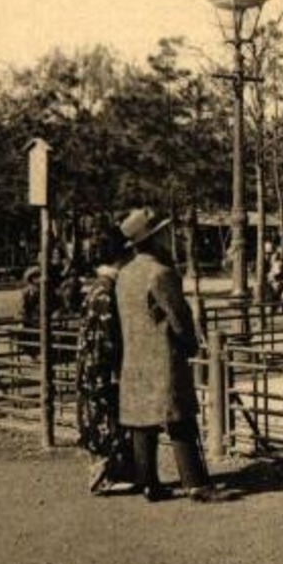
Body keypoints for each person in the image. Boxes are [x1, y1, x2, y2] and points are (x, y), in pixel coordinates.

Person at [114, 208, 220, 503]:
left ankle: (148, 482)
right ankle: (195, 483)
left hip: (134, 358)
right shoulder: (161, 273)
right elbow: (179, 316)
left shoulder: (124, 275)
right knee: (180, 417)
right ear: (153, 239)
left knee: (141, 421)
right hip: (163, 355)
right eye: (162, 233)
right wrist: (190, 344)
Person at [76, 232, 133, 495]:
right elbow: (106, 337)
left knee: (102, 419)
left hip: (92, 366)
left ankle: (110, 473)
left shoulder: (98, 287)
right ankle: (104, 476)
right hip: (102, 368)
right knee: (106, 420)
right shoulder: (106, 291)